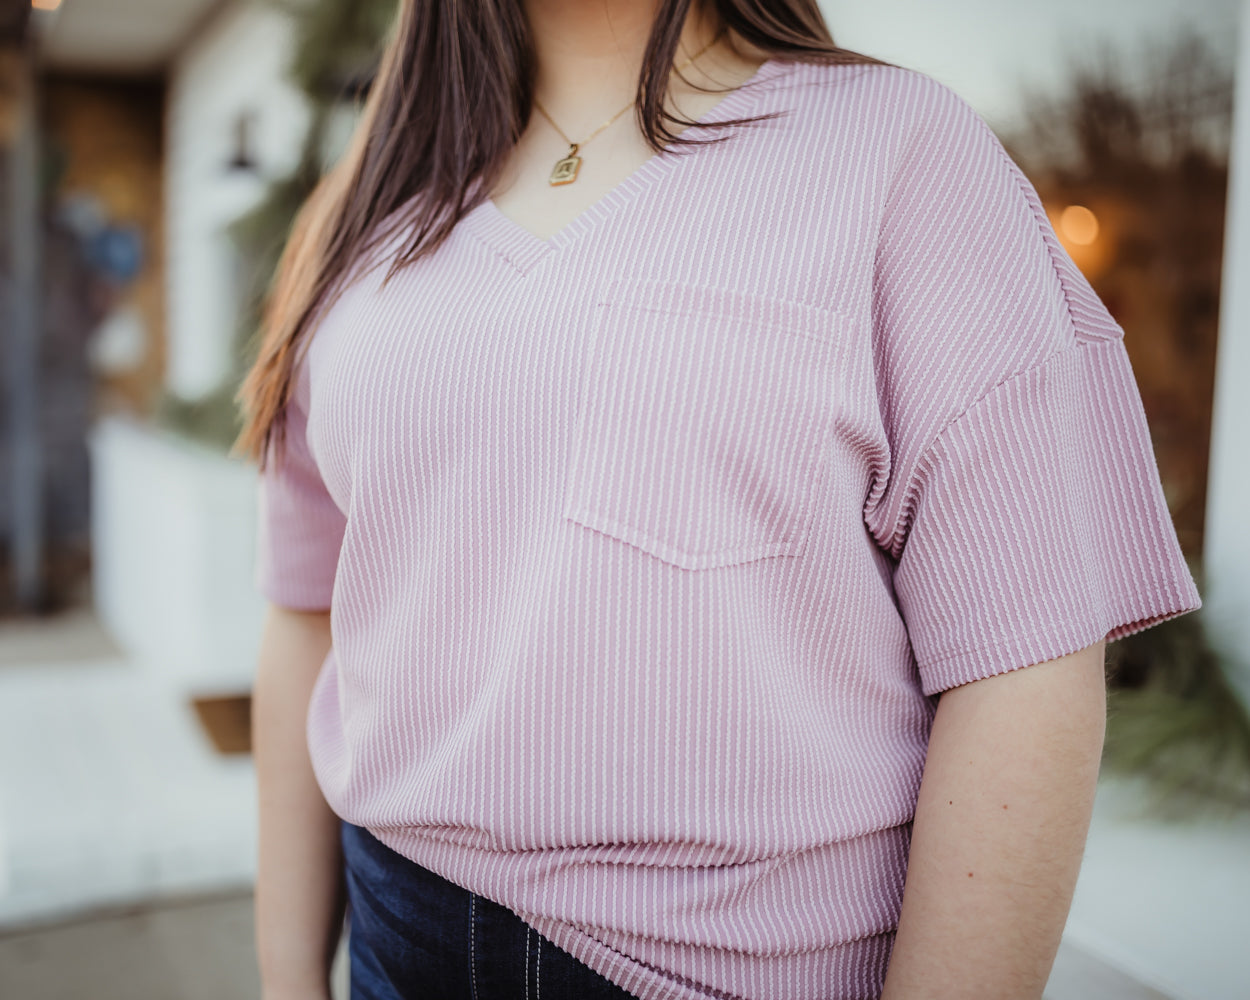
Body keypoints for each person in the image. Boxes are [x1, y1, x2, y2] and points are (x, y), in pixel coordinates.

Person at [236, 1, 1203, 998]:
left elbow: (1023, 661)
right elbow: (309, 608)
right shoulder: (364, 215)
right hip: (399, 933)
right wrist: (286, 976)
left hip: (742, 971)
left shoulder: (898, 153)